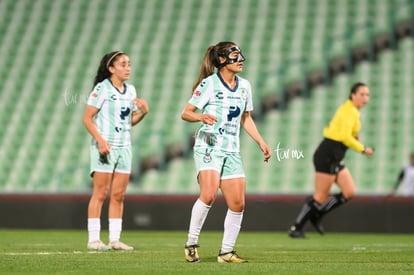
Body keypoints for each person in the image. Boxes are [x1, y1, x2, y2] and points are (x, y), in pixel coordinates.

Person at [181, 41, 271, 263]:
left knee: (238, 204)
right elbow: (186, 113)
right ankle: (191, 243)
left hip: (231, 149)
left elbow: (246, 118)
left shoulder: (245, 86)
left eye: (240, 54)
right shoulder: (209, 84)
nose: (241, 59)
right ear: (222, 60)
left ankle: (226, 252)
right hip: (209, 143)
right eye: (235, 55)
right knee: (209, 194)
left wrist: (261, 142)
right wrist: (201, 116)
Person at [288, 82, 374, 238]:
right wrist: (362, 148)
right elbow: (344, 137)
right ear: (353, 95)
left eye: (367, 94)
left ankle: (317, 214)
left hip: (335, 157)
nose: (365, 98)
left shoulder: (351, 110)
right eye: (362, 94)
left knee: (349, 192)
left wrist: (353, 137)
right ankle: (296, 227)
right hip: (327, 155)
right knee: (320, 197)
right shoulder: (350, 111)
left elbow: (341, 131)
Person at [82, 51, 149, 251]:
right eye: (122, 64)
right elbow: (87, 118)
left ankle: (114, 240)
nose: (127, 68)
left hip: (125, 147)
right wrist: (101, 141)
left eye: (128, 64)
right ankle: (93, 239)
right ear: (111, 68)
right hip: (105, 147)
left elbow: (128, 122)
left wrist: (143, 113)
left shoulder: (131, 91)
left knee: (118, 195)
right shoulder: (102, 89)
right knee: (100, 193)